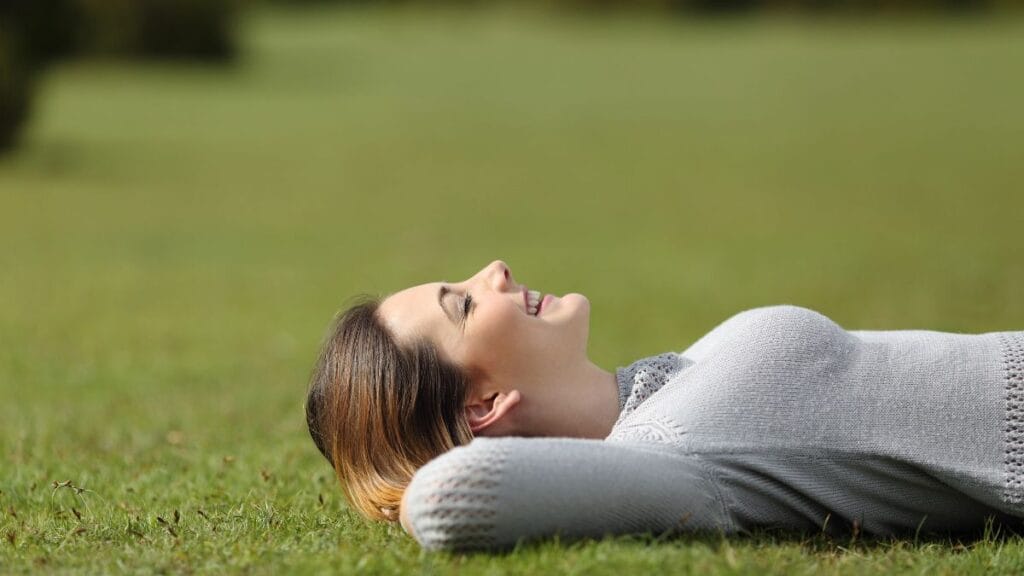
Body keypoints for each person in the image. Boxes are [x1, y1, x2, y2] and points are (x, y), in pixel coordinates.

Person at [305, 260, 1024, 551]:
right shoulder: (669, 454)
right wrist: (397, 478)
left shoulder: (670, 393)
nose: (494, 270)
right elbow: (446, 499)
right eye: (463, 304)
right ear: (483, 405)